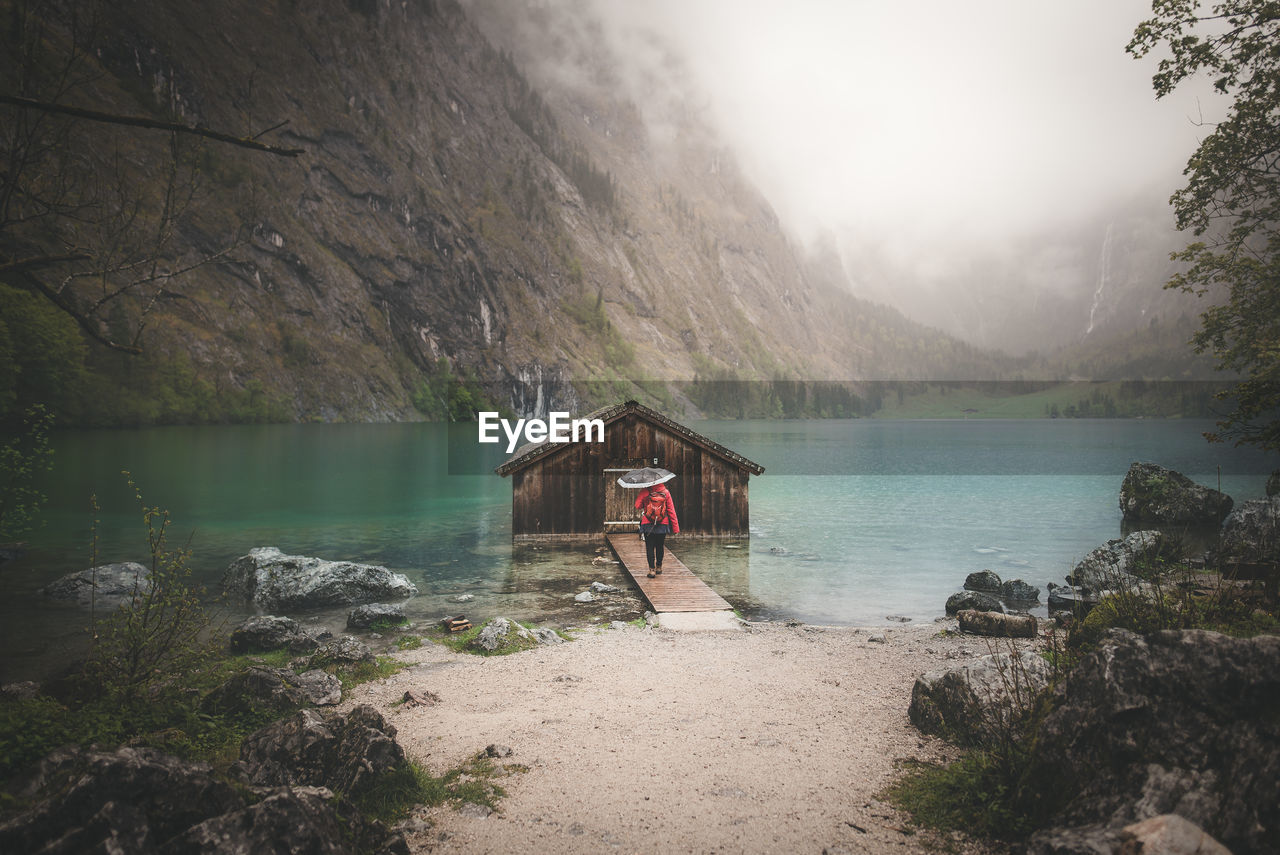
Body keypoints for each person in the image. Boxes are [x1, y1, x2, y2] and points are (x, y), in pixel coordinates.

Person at [636, 482, 679, 578]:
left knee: (649, 547)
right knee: (660, 546)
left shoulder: (645, 491)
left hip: (647, 523)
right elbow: (671, 510)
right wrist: (675, 528)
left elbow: (637, 505)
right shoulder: (666, 492)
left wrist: (645, 501)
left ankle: (652, 570)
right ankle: (659, 567)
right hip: (662, 523)